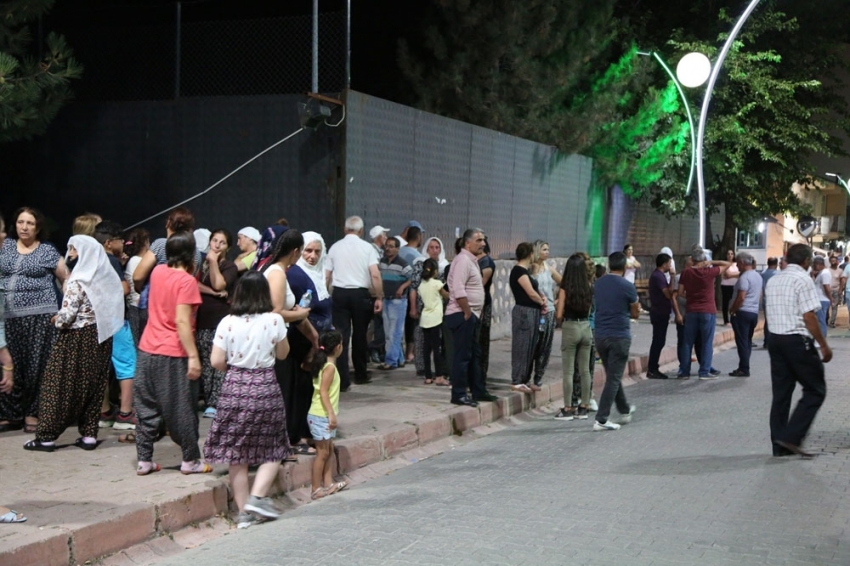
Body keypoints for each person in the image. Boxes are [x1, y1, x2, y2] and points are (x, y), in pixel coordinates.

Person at [204, 271, 292, 529]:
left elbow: (216, 361)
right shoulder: (274, 320)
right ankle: (258, 497)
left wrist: (236, 368)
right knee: (274, 448)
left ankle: (244, 514)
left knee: (237, 454)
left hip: (235, 387)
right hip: (265, 386)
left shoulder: (227, 322)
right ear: (264, 293)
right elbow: (284, 354)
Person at [23, 235, 124, 452]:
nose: (70, 253)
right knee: (93, 385)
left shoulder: (78, 280)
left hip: (75, 338)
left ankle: (46, 437)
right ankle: (89, 435)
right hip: (100, 337)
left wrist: (55, 319)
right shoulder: (104, 279)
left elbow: (67, 317)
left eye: (74, 249)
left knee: (57, 384)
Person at [134, 232, 211, 476]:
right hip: (173, 353)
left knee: (146, 406)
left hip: (147, 349)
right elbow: (181, 321)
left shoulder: (157, 272)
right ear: (192, 256)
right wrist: (194, 356)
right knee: (182, 408)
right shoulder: (187, 281)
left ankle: (144, 460)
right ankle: (190, 460)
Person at [0, 207, 68, 433]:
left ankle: (33, 413)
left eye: (29, 223)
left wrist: (66, 310)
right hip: (8, 317)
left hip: (40, 318)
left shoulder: (47, 250)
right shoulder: (6, 246)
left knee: (37, 368)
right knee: (10, 365)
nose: (24, 227)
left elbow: (66, 279)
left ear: (38, 227)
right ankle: (11, 414)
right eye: (20, 222)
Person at [765, 243, 832, 457]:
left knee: (781, 394)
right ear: (806, 261)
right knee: (815, 389)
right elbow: (809, 316)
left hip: (775, 338)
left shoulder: (774, 279)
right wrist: (822, 344)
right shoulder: (803, 279)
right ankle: (791, 437)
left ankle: (779, 445)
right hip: (796, 340)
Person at [287, 231, 334, 454]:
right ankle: (297, 436)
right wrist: (313, 342)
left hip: (316, 341)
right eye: (308, 250)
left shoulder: (316, 275)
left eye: (317, 251)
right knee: (301, 389)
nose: (312, 256)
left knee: (311, 389)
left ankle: (307, 431)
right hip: (303, 342)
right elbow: (298, 312)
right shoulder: (297, 275)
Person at [325, 216, 383, 390]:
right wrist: (379, 296)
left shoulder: (335, 247)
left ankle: (342, 379)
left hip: (340, 294)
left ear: (345, 229)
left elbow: (326, 275)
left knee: (341, 335)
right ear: (361, 231)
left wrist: (326, 295)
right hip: (361, 294)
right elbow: (375, 274)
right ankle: (360, 373)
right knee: (360, 335)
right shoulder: (367, 249)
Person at [92, 220, 137, 431]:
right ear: (109, 242)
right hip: (115, 319)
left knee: (101, 366)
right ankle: (126, 414)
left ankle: (104, 412)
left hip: (97, 320)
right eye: (121, 240)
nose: (124, 244)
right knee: (126, 364)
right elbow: (122, 289)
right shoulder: (110, 260)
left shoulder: (90, 259)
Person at [445, 229, 495, 406]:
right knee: (462, 356)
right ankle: (458, 394)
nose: (483, 243)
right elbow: (458, 289)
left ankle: (478, 391)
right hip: (462, 315)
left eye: (483, 239)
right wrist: (467, 312)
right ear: (467, 243)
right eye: (479, 240)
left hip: (471, 315)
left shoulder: (471, 260)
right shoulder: (462, 261)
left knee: (475, 355)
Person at [591, 252, 639, 431]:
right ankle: (602, 419)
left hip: (601, 335)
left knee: (613, 374)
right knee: (613, 378)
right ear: (625, 266)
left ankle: (624, 408)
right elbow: (635, 312)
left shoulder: (598, 283)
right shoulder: (627, 286)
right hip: (619, 335)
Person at [195, 229, 239, 418]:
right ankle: (207, 399)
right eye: (214, 240)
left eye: (222, 242)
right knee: (206, 361)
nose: (217, 245)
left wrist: (213, 262)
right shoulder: (200, 264)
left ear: (227, 247)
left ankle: (215, 402)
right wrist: (212, 293)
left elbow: (219, 284)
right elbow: (193, 283)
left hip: (221, 320)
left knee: (219, 361)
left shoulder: (229, 266)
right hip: (203, 318)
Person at [306, 330, 348, 500]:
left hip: (320, 414)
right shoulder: (329, 367)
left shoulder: (324, 364)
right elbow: (323, 391)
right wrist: (331, 414)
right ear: (338, 347)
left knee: (328, 450)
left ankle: (328, 483)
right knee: (322, 453)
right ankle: (316, 488)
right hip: (320, 415)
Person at [678, 247, 731, 379]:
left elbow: (680, 292)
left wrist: (691, 297)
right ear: (704, 260)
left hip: (691, 310)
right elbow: (728, 264)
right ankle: (704, 371)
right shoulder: (710, 271)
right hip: (708, 310)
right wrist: (711, 261)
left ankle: (684, 372)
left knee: (687, 342)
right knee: (707, 342)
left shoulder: (686, 272)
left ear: (692, 259)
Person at [554, 253, 595, 421]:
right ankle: (584, 406)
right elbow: (590, 310)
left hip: (570, 327)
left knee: (569, 371)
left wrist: (560, 322)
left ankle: (568, 408)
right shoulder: (589, 287)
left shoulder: (565, 288)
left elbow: (559, 313)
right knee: (585, 370)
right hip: (586, 327)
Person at [509, 242, 548, 393]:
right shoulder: (519, 271)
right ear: (530, 254)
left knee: (531, 346)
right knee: (522, 345)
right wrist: (542, 302)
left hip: (532, 312)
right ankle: (517, 379)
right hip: (524, 312)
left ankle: (525, 379)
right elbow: (530, 292)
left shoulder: (525, 271)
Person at [377, 237, 413, 370]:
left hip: (398, 301)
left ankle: (391, 361)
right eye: (387, 246)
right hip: (386, 300)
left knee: (394, 332)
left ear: (397, 249)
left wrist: (403, 287)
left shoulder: (403, 264)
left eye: (391, 246)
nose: (388, 248)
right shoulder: (382, 263)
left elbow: (414, 277)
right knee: (389, 332)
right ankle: (399, 358)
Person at [531, 240, 562, 387]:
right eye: (544, 249)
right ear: (537, 251)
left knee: (545, 346)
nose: (547, 252)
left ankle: (539, 375)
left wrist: (557, 301)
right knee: (533, 345)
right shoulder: (532, 268)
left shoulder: (549, 268)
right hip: (535, 311)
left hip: (548, 311)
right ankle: (525, 374)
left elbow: (563, 282)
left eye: (548, 249)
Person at [728, 252, 762, 377]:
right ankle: (744, 365)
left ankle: (744, 368)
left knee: (742, 341)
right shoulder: (758, 276)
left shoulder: (744, 278)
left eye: (737, 263)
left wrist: (733, 309)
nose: (736, 266)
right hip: (753, 312)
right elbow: (759, 295)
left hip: (742, 312)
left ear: (742, 263)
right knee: (747, 340)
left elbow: (741, 297)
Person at [419, 258, 449, 386]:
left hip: (425, 318)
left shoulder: (421, 285)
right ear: (435, 271)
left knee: (426, 348)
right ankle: (439, 376)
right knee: (437, 348)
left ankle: (427, 376)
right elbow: (446, 296)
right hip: (436, 319)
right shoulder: (437, 283)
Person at [647, 253, 676, 379]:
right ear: (664, 264)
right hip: (659, 312)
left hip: (662, 312)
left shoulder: (660, 276)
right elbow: (668, 294)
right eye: (669, 263)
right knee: (658, 341)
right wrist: (673, 277)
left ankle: (653, 367)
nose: (670, 265)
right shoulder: (658, 276)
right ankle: (652, 368)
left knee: (660, 340)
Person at [399, 226, 424, 364]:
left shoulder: (400, 251)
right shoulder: (418, 257)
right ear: (418, 237)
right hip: (410, 294)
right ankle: (410, 353)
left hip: (395, 293)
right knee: (412, 324)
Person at [123, 228, 150, 345]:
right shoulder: (138, 261)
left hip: (136, 308)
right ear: (145, 243)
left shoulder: (133, 260)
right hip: (138, 308)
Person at [475, 238, 495, 381]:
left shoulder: (486, 262)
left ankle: (480, 375)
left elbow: (480, 286)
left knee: (481, 340)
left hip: (482, 304)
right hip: (472, 303)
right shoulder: (470, 260)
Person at [811, 256, 832, 338]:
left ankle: (822, 338)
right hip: (820, 299)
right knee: (818, 320)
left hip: (822, 299)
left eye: (814, 265)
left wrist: (830, 298)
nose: (814, 267)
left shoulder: (825, 273)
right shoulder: (821, 272)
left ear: (819, 264)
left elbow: (826, 287)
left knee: (821, 320)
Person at [761, 257, 779, 348]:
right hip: (776, 300)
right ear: (776, 264)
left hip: (766, 299)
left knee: (767, 321)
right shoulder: (778, 274)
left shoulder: (763, 273)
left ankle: (766, 341)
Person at [720, 249, 739, 326]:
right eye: (728, 254)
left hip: (735, 285)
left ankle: (733, 318)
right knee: (726, 303)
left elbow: (740, 273)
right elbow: (728, 274)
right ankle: (726, 320)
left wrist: (732, 274)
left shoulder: (736, 264)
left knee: (734, 302)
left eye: (732, 254)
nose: (730, 255)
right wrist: (736, 274)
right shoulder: (724, 264)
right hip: (726, 285)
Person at [827, 255, 842, 328]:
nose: (833, 262)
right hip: (827, 291)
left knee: (834, 307)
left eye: (834, 261)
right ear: (830, 262)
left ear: (837, 262)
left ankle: (832, 322)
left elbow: (842, 281)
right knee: (827, 307)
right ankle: (826, 320)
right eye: (832, 261)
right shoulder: (827, 270)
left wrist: (840, 290)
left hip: (836, 291)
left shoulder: (840, 271)